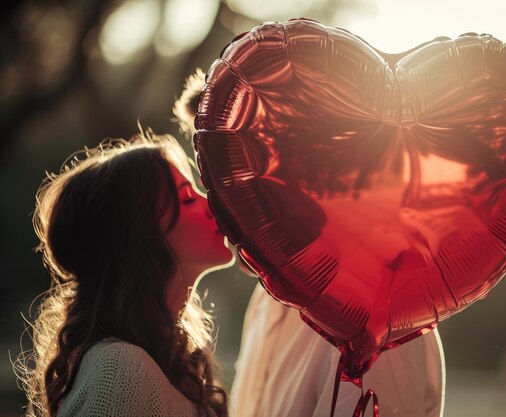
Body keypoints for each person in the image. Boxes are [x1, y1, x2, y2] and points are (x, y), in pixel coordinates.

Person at [174, 71, 446, 417]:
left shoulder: (375, 328)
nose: (217, 204)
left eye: (232, 178)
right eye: (213, 180)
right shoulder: (269, 299)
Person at [16, 132, 234, 417]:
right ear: (139, 235)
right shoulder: (120, 370)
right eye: (188, 199)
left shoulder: (171, 366)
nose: (211, 204)